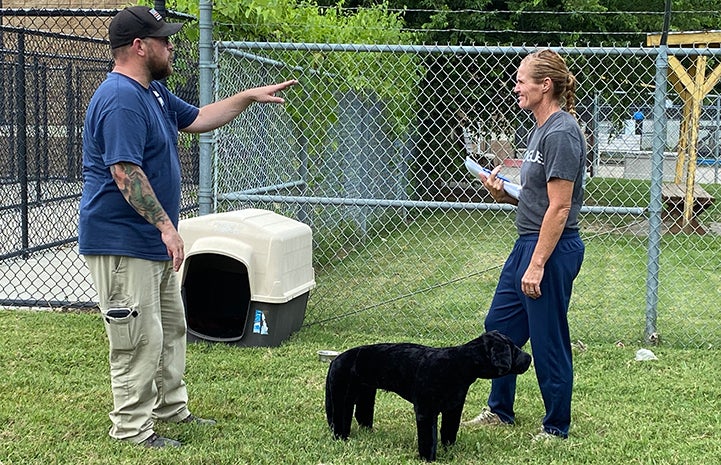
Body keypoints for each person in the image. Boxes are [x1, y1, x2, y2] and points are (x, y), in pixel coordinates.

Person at [79, 6, 297, 448]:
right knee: (137, 340)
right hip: (124, 242)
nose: (171, 45)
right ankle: (132, 430)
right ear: (139, 47)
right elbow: (125, 171)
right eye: (163, 39)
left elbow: (199, 118)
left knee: (171, 328)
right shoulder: (120, 97)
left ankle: (170, 409)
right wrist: (167, 227)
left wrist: (248, 97)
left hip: (150, 242)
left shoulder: (153, 93)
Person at [463, 49, 586, 441]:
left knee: (548, 337)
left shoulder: (562, 132)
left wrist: (537, 265)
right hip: (527, 243)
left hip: (550, 249)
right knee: (498, 327)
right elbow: (537, 198)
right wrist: (503, 194)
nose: (515, 86)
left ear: (544, 85)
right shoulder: (538, 129)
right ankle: (500, 410)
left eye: (521, 80)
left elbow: (561, 207)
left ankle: (556, 426)